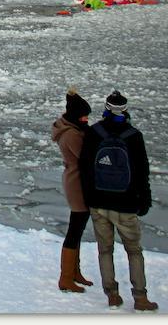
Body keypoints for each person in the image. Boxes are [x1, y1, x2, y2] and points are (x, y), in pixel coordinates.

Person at [79, 91, 158, 311]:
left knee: (105, 250)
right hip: (126, 204)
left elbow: (85, 168)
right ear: (125, 110)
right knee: (134, 251)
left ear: (106, 108)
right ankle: (140, 298)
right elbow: (142, 172)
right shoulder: (134, 135)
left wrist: (88, 197)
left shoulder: (94, 133)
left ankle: (111, 294)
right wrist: (144, 200)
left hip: (99, 202)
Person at [51, 88, 94, 292]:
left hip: (76, 181)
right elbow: (87, 158)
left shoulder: (73, 129)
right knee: (75, 229)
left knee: (77, 228)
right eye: (84, 116)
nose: (87, 119)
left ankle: (74, 272)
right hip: (77, 184)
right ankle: (66, 277)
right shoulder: (72, 135)